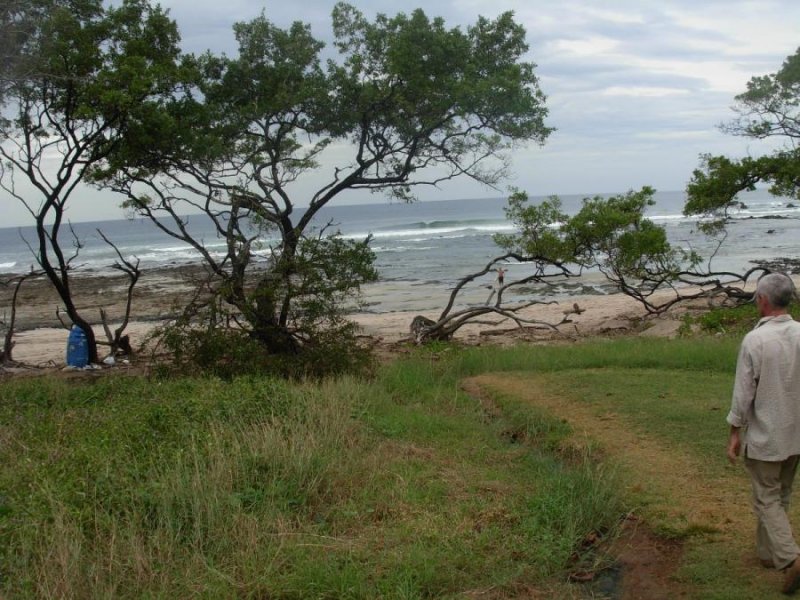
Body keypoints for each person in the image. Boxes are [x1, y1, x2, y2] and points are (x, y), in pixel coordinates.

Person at [727, 272, 800, 594]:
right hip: (796, 433)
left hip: (768, 434)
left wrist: (734, 432)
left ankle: (790, 557)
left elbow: (744, 393)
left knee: (766, 498)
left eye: (757, 297)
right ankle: (768, 555)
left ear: (764, 300)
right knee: (778, 495)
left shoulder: (755, 340)